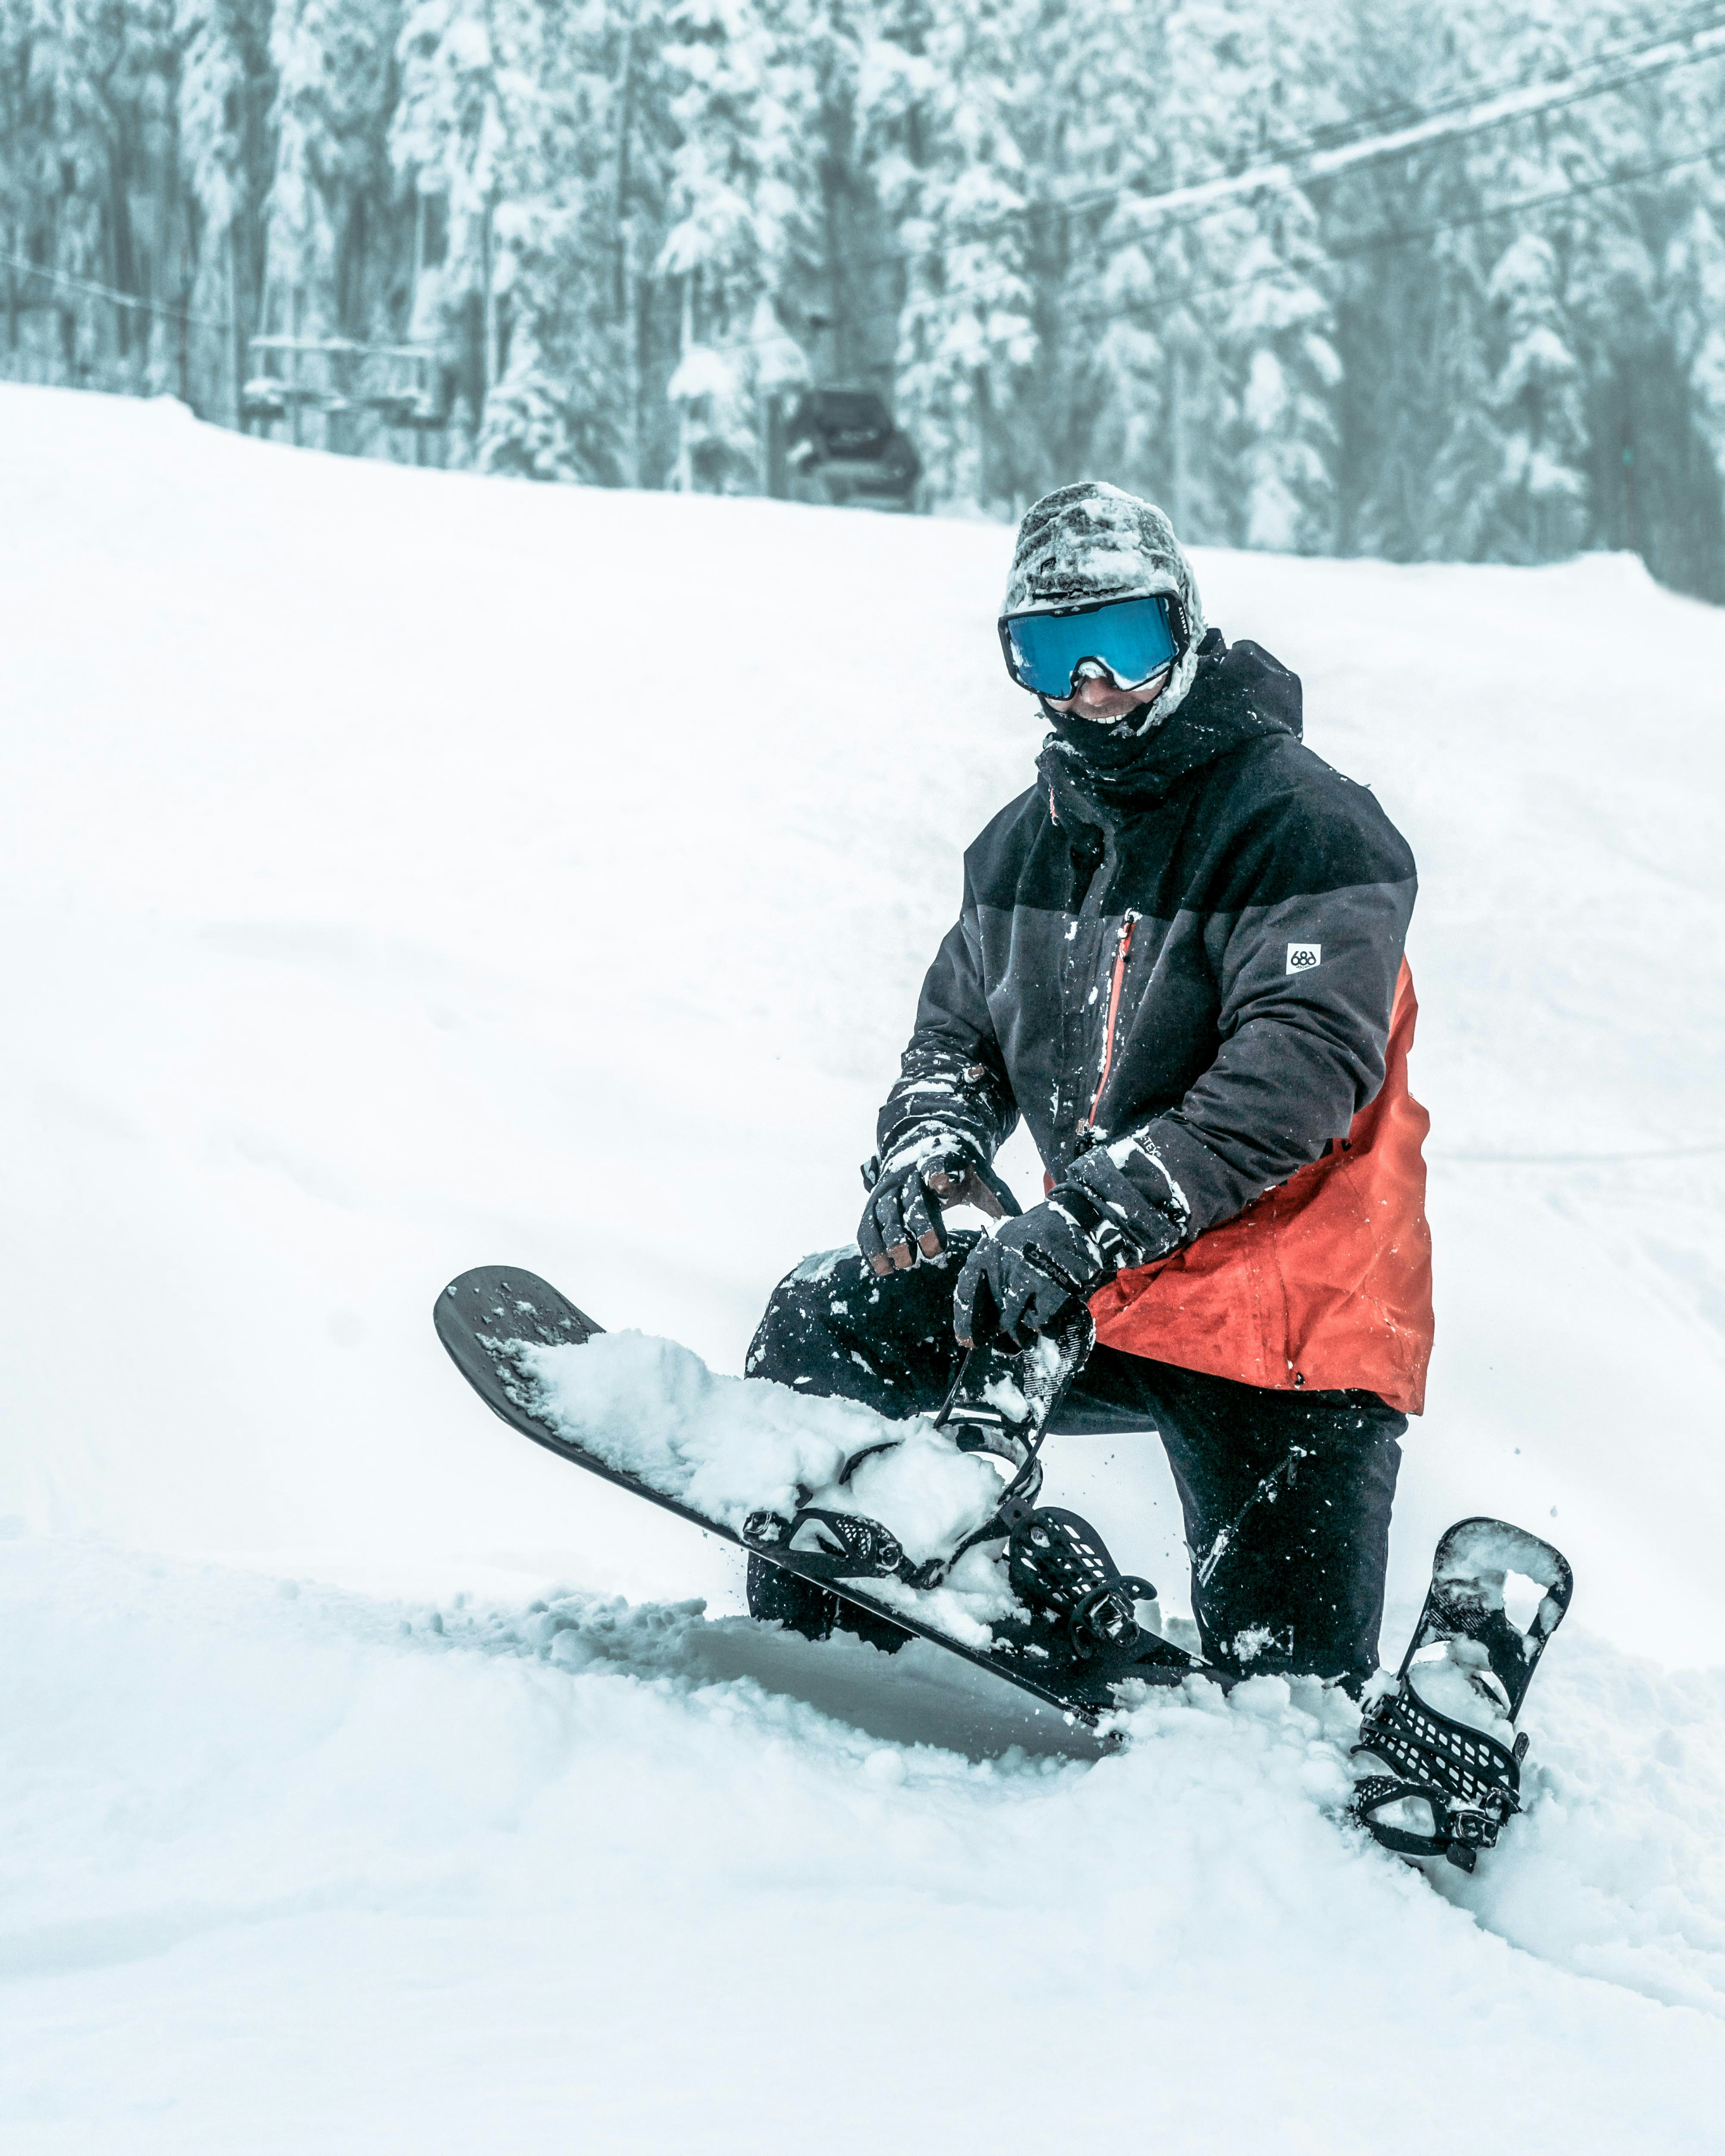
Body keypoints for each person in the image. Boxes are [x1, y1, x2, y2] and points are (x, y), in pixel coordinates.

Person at [745, 481, 1432, 1692]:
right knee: (828, 1314)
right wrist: (934, 1156)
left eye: (1126, 638)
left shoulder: (1312, 828)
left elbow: (1302, 1068)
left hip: (1290, 1327)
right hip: (1097, 1288)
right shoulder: (1020, 847)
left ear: (1185, 630)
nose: (1094, 681)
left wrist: (1088, 1219)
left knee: (1288, 1698)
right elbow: (956, 1040)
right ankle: (835, 1647)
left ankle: (1131, 1642)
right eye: (1053, 651)